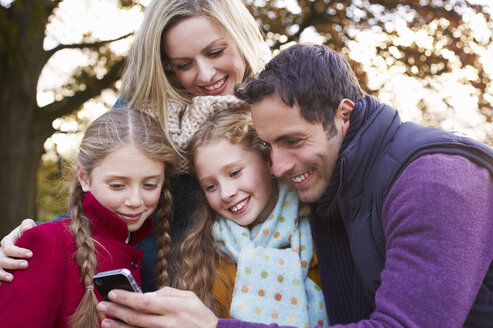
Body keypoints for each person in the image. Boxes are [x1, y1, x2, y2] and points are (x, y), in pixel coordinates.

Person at [95, 44, 493, 328]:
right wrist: (42, 235)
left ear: (343, 114)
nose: (279, 166)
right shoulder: (338, 186)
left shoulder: (436, 180)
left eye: (293, 141)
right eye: (268, 148)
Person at [0, 0, 270, 292]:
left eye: (216, 52)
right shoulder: (143, 111)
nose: (205, 75)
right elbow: (99, 198)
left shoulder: (279, 102)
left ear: (241, 36)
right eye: (183, 65)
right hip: (157, 288)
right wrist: (31, 240)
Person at [0, 108, 178, 327]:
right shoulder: (46, 242)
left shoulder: (152, 244)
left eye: (150, 185)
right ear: (84, 177)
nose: (135, 200)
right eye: (117, 185)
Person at [171, 98, 327, 328]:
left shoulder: (320, 232)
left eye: (234, 173)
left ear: (268, 161)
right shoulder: (205, 258)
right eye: (211, 186)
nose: (226, 193)